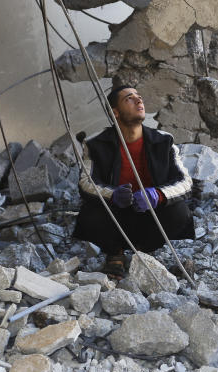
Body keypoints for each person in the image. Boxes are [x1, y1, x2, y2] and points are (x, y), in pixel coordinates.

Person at [72, 85, 194, 277]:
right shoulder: (95, 144)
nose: (139, 101)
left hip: (150, 214)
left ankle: (145, 251)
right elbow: (86, 183)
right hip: (115, 216)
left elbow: (185, 182)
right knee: (90, 212)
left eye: (139, 97)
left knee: (179, 211)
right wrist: (113, 195)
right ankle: (115, 254)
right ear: (115, 113)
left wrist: (159, 195)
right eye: (129, 98)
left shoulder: (164, 141)